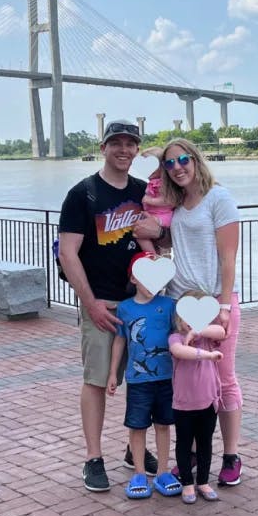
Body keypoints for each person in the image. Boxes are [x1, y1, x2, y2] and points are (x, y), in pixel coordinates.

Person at [57, 119, 162, 492]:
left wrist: (160, 233)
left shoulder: (144, 192)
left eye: (131, 144)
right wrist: (91, 304)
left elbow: (160, 236)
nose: (124, 150)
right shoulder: (82, 194)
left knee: (144, 377)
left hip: (142, 302)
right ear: (103, 147)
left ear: (137, 149)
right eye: (116, 143)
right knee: (97, 379)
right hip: (101, 300)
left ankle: (136, 450)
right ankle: (93, 457)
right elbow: (68, 254)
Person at [159, 137, 245, 486]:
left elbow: (228, 257)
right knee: (188, 381)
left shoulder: (219, 198)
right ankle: (192, 454)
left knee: (222, 379)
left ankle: (231, 455)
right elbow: (173, 244)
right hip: (182, 304)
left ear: (195, 160)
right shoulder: (178, 204)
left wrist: (224, 305)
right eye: (169, 163)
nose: (177, 167)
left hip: (214, 301)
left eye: (183, 159)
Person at [106, 253, 183, 499]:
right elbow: (120, 341)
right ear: (134, 278)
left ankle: (162, 471)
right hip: (138, 381)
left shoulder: (169, 306)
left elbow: (179, 337)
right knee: (137, 426)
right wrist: (112, 373)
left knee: (163, 424)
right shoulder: (125, 308)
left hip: (165, 378)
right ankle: (139, 472)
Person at [168, 297, 225, 503]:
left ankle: (203, 481)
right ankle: (187, 484)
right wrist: (207, 356)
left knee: (205, 443)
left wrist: (198, 331)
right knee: (183, 443)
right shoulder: (176, 337)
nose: (191, 322)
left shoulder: (207, 337)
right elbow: (180, 351)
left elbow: (221, 332)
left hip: (209, 401)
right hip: (184, 403)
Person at [136, 146, 174, 256]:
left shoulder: (163, 183)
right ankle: (154, 254)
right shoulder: (152, 182)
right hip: (154, 215)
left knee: (139, 233)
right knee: (140, 233)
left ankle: (153, 256)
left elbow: (169, 200)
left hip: (163, 216)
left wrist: (149, 200)